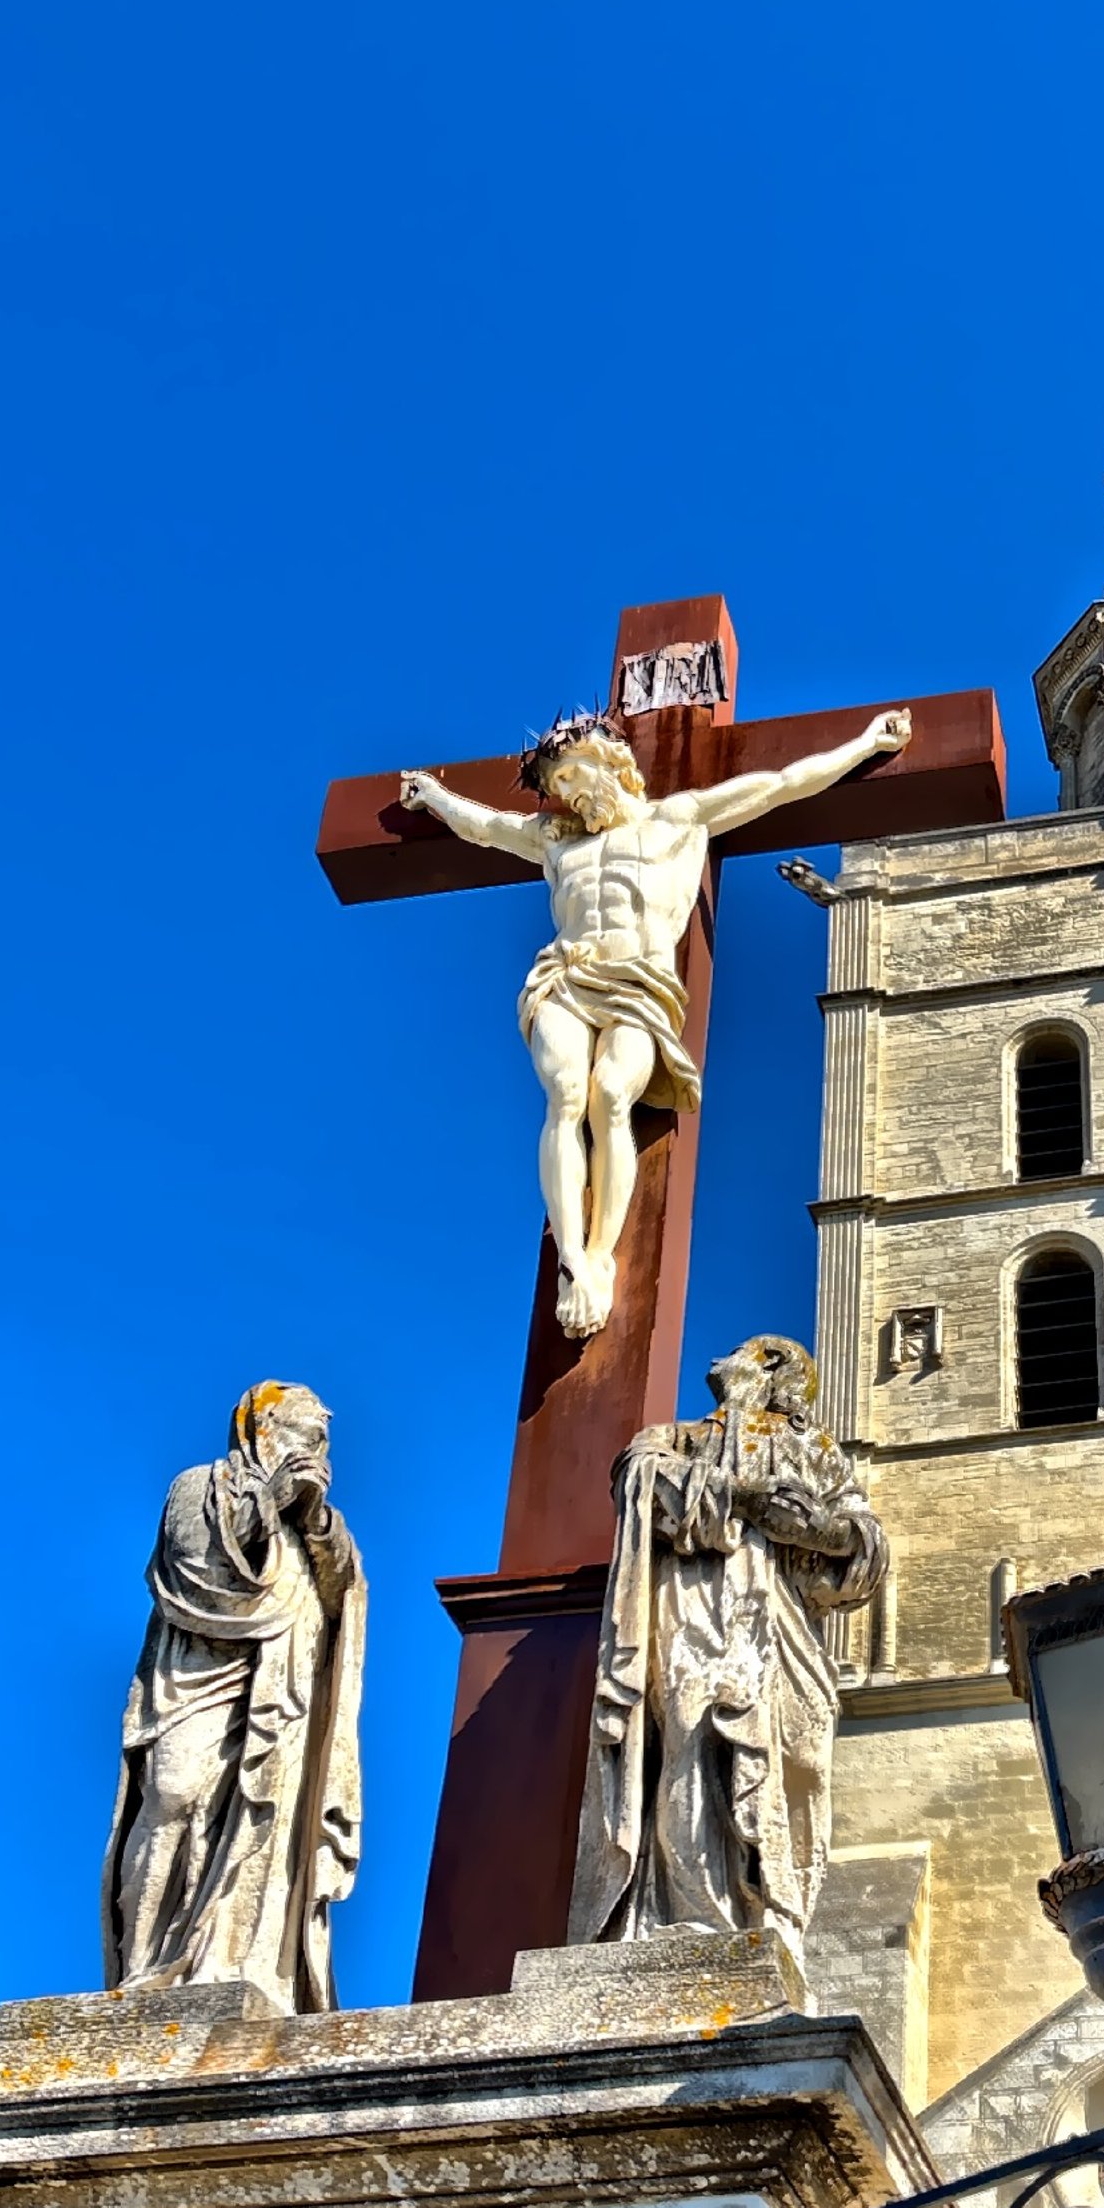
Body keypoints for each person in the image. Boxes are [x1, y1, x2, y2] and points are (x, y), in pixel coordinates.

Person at [400, 702, 913, 1337]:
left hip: (640, 982)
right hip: (564, 977)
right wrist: (436, 797)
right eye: (554, 784)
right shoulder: (555, 841)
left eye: (568, 776)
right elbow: (483, 827)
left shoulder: (678, 819)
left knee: (611, 1094)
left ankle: (599, 1254)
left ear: (608, 761)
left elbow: (783, 785)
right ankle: (573, 1263)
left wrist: (864, 745)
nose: (563, 794)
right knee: (564, 1095)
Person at [571, 1335, 887, 1951]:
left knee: (796, 1756)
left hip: (781, 1618)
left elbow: (867, 1540)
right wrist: (739, 1498)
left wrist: (818, 1529)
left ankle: (776, 1912)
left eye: (741, 1351)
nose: (720, 1359)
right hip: (691, 1607)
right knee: (694, 1738)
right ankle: (699, 1919)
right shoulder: (678, 1438)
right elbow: (635, 1480)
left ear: (767, 1367)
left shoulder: (815, 1451)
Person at [102, 1383, 364, 2016]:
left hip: (283, 1690)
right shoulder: (201, 1486)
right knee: (174, 1795)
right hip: (198, 1675)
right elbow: (190, 1569)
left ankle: (237, 1959)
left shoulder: (317, 1519)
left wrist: (317, 1523)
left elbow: (342, 1592)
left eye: (322, 1440)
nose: (316, 1448)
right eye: (305, 1434)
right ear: (261, 1430)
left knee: (268, 1817)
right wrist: (268, 1506)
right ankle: (141, 1967)